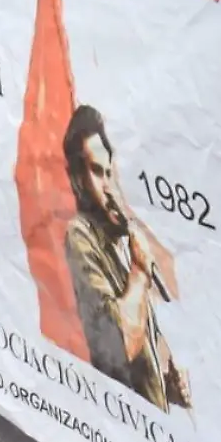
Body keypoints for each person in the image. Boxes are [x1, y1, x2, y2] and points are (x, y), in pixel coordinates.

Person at [62, 106, 189, 410]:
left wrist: (166, 384)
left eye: (108, 173)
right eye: (95, 172)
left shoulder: (118, 243)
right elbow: (118, 344)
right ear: (77, 177)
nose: (107, 186)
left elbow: (140, 356)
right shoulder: (80, 236)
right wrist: (142, 274)